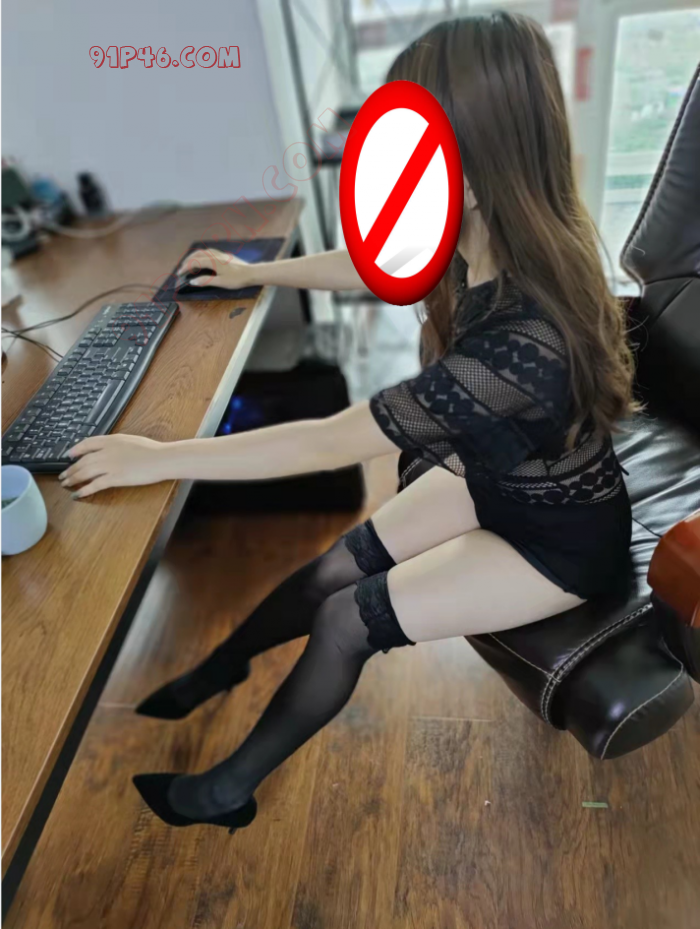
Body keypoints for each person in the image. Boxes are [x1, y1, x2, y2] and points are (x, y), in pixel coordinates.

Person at [59, 13, 636, 833]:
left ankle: (225, 794)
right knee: (333, 568)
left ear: (475, 168)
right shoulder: (485, 230)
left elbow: (328, 439)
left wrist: (158, 457)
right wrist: (255, 272)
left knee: (346, 617)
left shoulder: (522, 345)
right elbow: (375, 262)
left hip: (559, 541)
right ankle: (224, 666)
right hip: (501, 474)